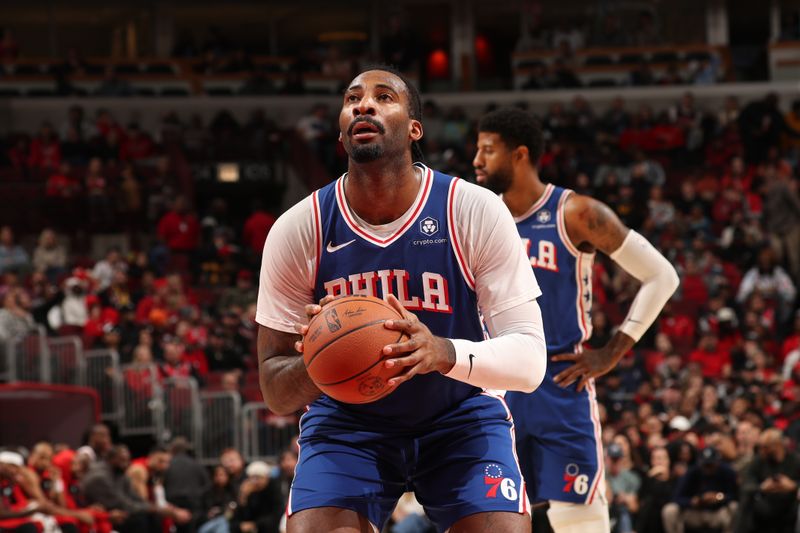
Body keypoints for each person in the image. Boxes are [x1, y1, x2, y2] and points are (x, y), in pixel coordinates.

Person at [256, 67, 547, 532]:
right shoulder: (299, 227)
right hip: (348, 425)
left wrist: (442, 351)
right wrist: (320, 356)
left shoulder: (471, 208)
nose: (363, 105)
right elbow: (274, 389)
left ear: (415, 129)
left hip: (460, 415)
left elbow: (531, 362)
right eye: (352, 98)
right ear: (341, 126)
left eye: (383, 96)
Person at [473, 107, 679, 532]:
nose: (476, 160)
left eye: (488, 150)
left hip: (559, 382)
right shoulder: (475, 218)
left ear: (520, 155)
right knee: (493, 518)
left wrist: (611, 353)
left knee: (580, 519)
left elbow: (662, 276)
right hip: (496, 385)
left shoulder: (576, 213)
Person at [662, 447, 738, 533]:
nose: (708, 468)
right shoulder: (692, 472)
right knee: (670, 510)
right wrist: (693, 501)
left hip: (717, 513)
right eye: (705, 465)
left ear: (718, 463)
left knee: (734, 506)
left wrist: (719, 497)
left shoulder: (727, 472)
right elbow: (676, 497)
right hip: (695, 513)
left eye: (711, 465)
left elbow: (735, 495)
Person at [737, 428, 800, 533]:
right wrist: (762, 487)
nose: (762, 451)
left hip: (790, 502)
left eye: (766, 447)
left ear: (778, 445)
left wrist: (793, 485)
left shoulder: (795, 460)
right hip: (765, 502)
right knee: (747, 498)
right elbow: (746, 484)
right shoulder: (758, 461)